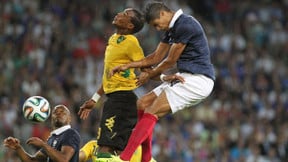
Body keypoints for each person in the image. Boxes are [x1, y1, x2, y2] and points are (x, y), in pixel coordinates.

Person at [110, 1, 215, 162]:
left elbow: (170, 61)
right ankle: (146, 158)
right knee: (142, 104)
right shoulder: (173, 29)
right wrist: (129, 65)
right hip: (186, 76)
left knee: (152, 111)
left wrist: (150, 74)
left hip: (198, 80)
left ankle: (124, 158)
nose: (158, 29)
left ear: (163, 14)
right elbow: (156, 57)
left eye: (157, 25)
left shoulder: (185, 25)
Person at [77, 7, 145, 162]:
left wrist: (162, 76)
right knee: (114, 150)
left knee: (104, 148)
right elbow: (109, 78)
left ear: (130, 26)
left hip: (122, 100)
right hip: (115, 99)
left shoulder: (132, 42)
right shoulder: (114, 39)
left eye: (126, 15)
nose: (119, 14)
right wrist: (95, 98)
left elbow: (145, 66)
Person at [3, 104, 81, 162]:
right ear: (51, 119)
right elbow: (31, 161)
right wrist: (18, 148)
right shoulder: (51, 139)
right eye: (55, 112)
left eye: (62, 112)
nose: (58, 113)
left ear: (69, 118)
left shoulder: (71, 133)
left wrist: (43, 145)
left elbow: (64, 160)